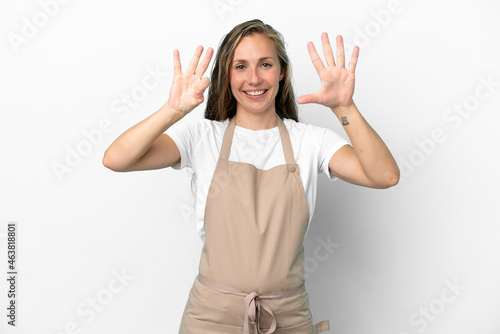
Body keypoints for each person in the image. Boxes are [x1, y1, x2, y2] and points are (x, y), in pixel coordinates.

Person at [103, 19, 399, 334]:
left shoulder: (310, 141)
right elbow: (117, 159)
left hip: (288, 317)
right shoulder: (203, 136)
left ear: (281, 71)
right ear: (226, 76)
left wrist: (346, 108)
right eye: (240, 66)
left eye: (265, 64)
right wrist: (172, 110)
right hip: (210, 317)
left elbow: (384, 176)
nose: (254, 78)